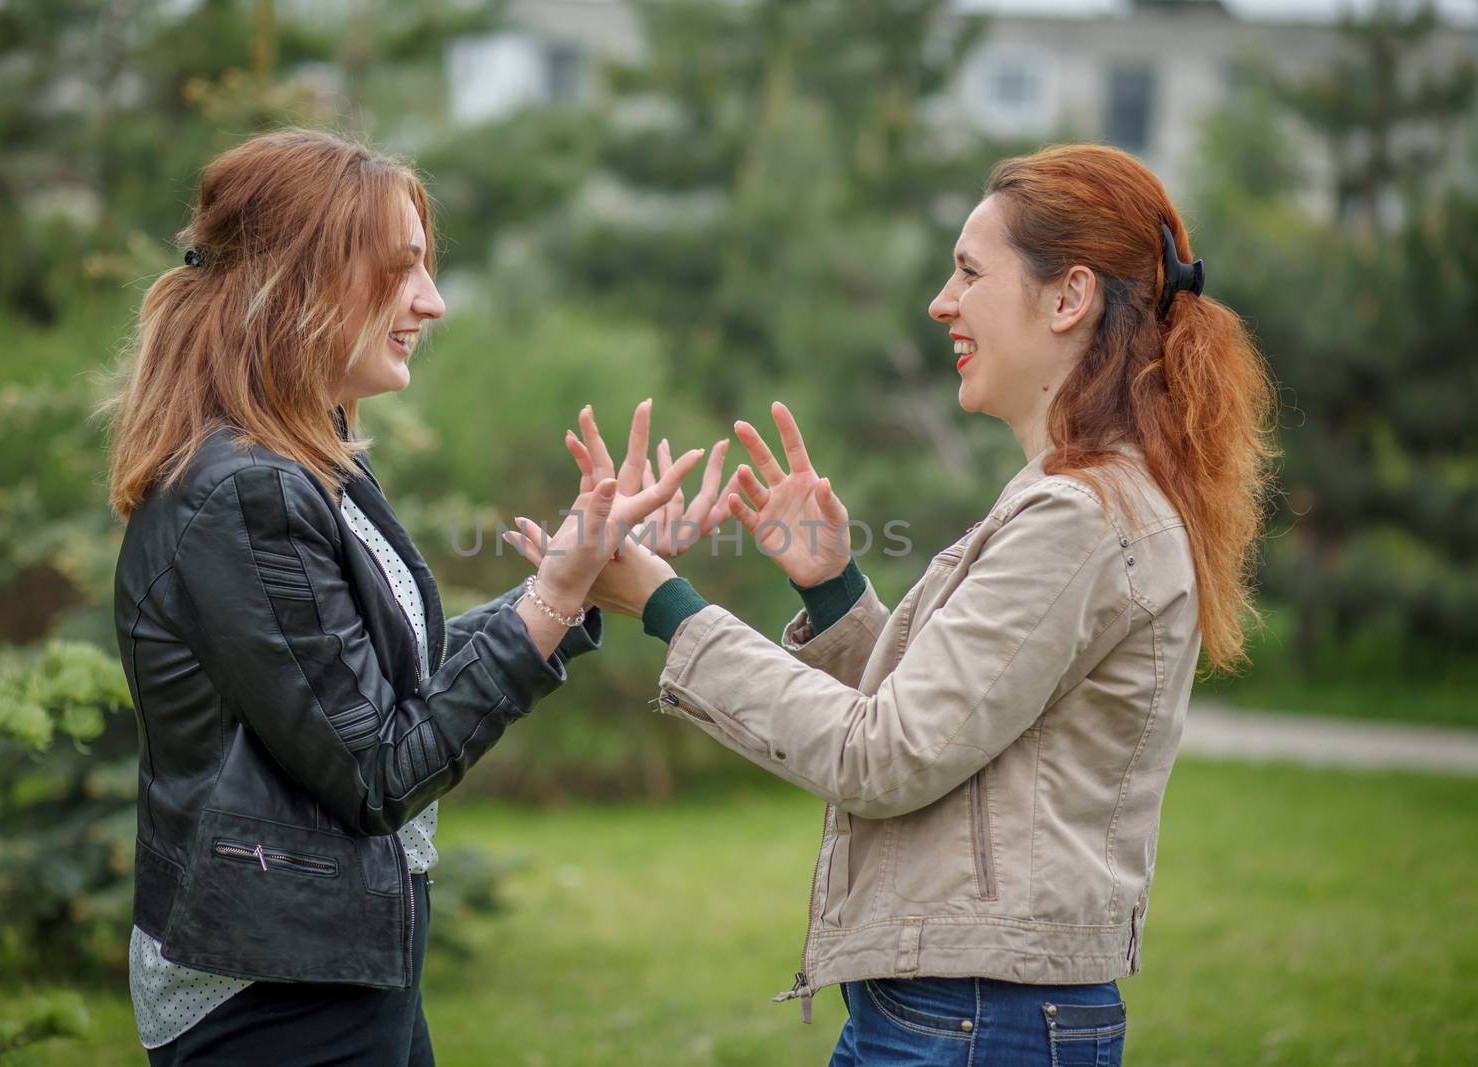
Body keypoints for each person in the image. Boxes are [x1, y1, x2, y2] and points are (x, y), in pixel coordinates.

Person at [510, 143, 1278, 1066]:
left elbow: (887, 755)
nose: (941, 302)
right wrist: (831, 591)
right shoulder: (1086, 498)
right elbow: (959, 728)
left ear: (1068, 298)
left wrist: (664, 602)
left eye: (967, 271)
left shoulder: (1078, 516)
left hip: (976, 1020)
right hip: (966, 1011)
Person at [101, 127, 711, 1066]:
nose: (430, 301)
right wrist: (551, 593)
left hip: (327, 972)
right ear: (301, 283)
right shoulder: (247, 489)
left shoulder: (303, 461)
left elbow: (373, 688)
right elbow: (380, 767)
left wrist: (574, 580)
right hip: (274, 1003)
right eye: (403, 268)